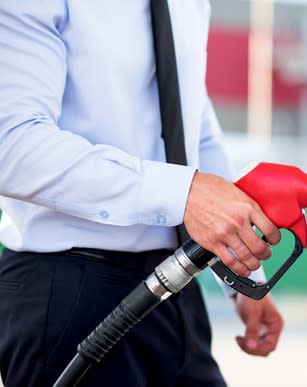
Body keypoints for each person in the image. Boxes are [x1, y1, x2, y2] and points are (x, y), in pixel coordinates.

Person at [0, 1, 284, 386]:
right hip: (71, 296)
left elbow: (196, 130)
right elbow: (13, 146)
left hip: (177, 289)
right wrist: (181, 194)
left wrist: (241, 271)